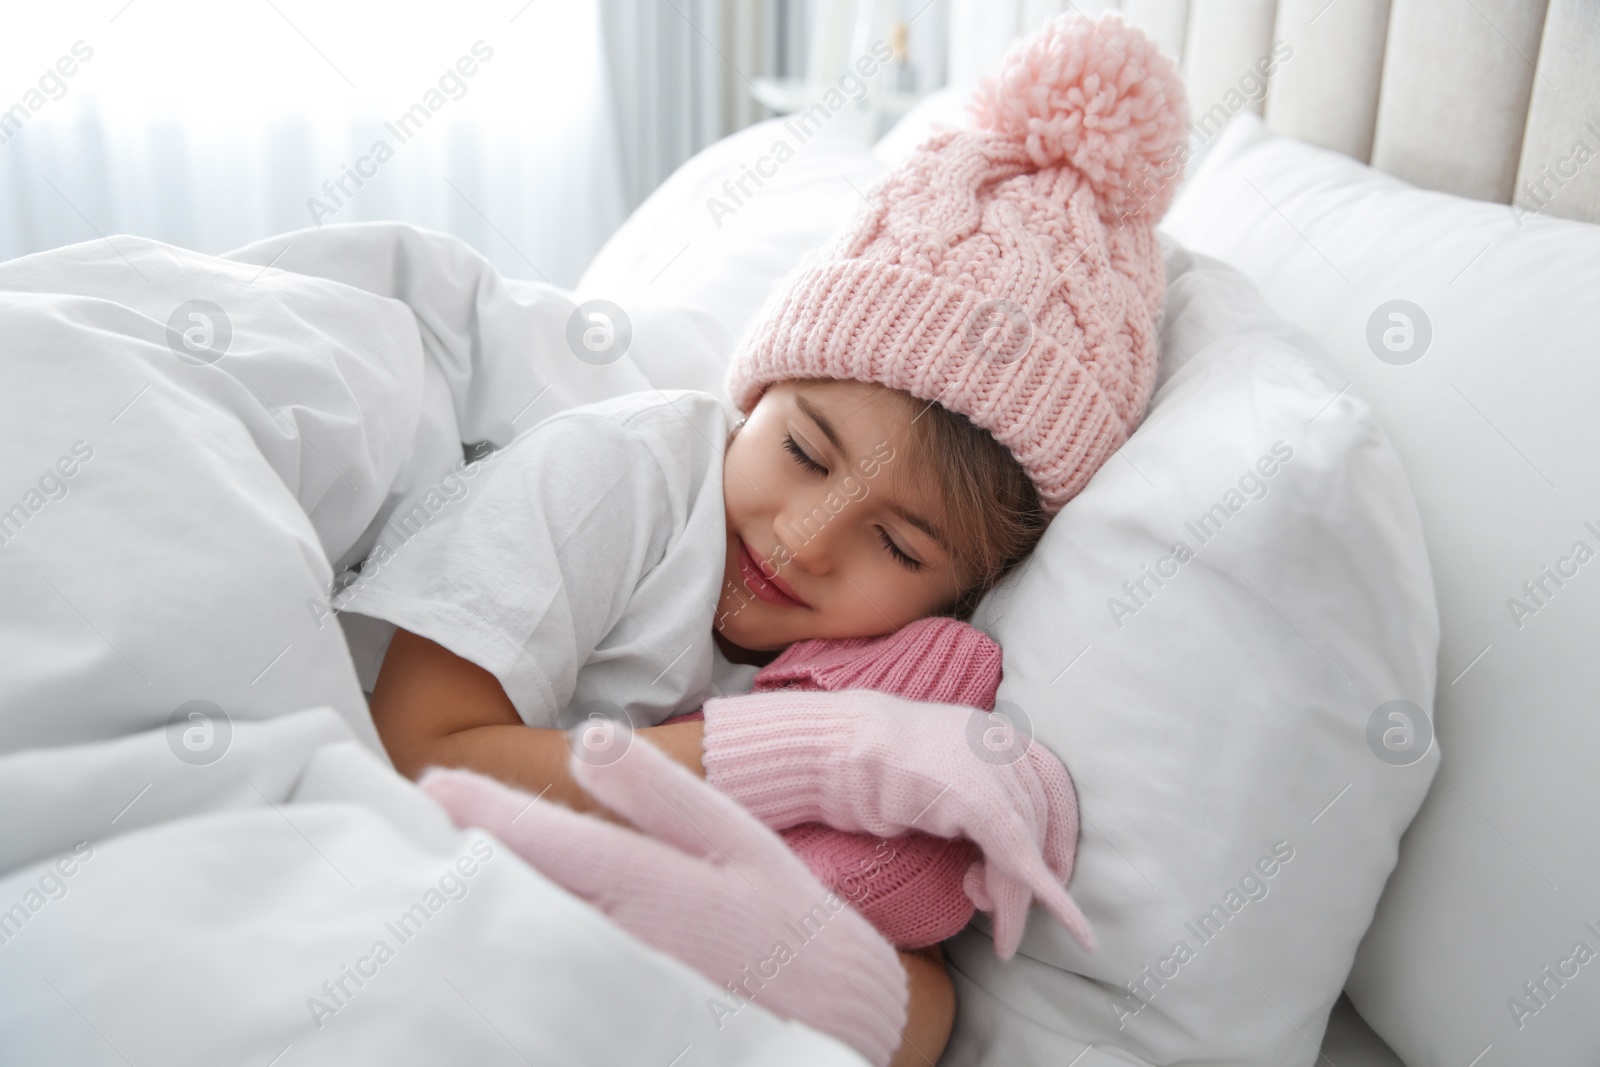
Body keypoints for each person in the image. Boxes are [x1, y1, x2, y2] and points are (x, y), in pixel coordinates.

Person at [338, 11, 1187, 1065]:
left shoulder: (888, 667)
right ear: (760, 389)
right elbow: (421, 756)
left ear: (967, 588)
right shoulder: (617, 475)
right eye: (805, 450)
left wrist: (813, 952)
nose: (807, 537)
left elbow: (922, 1007)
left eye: (903, 546)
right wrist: (799, 759)